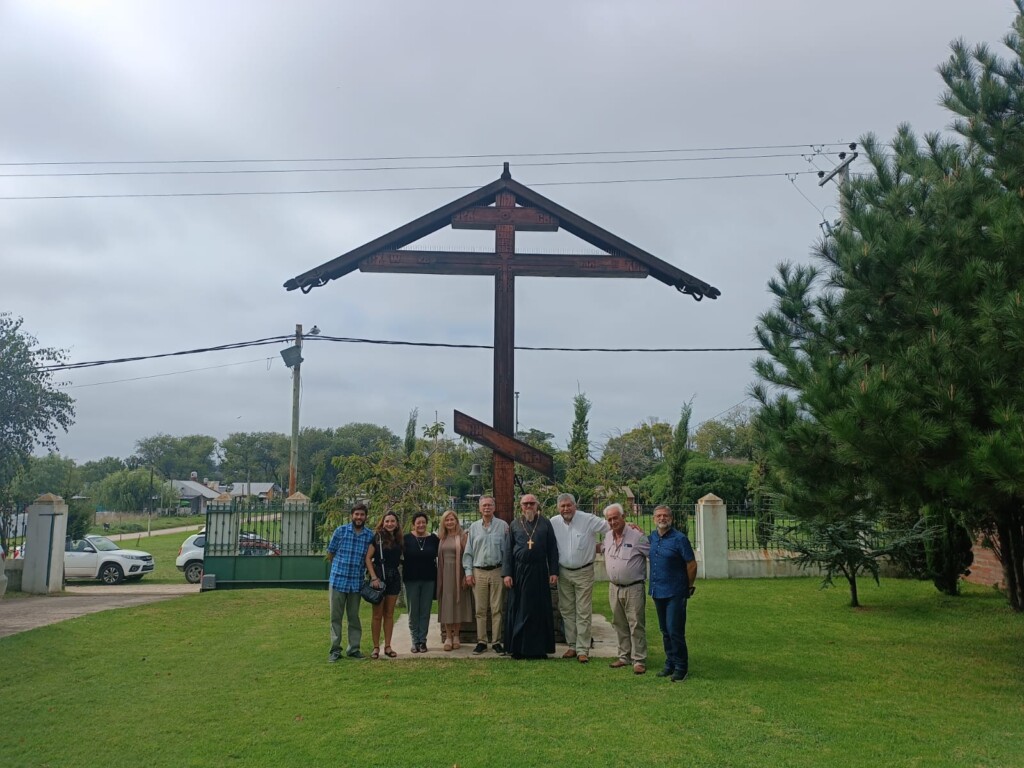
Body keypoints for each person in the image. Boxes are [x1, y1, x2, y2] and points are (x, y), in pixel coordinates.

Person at [549, 492, 609, 663]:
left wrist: (604, 546)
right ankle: (572, 646)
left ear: (575, 506)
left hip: (584, 571)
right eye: (563, 506)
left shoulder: (588, 519)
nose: (566, 508)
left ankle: (583, 649)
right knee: (567, 610)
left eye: (569, 505)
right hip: (563, 572)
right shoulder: (553, 522)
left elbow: (611, 528)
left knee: (583, 611)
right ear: (558, 507)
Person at [502, 493, 559, 659]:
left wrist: (554, 571)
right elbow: (507, 551)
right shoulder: (514, 525)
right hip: (519, 573)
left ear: (537, 505)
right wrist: (507, 574)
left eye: (531, 503)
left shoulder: (545, 524)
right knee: (520, 609)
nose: (528, 506)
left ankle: (539, 649)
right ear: (520, 506)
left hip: (539, 572)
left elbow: (552, 549)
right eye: (525, 504)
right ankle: (518, 648)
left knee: (538, 610)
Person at [648, 504, 698, 682]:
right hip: (657, 591)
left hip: (675, 592)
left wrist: (688, 586)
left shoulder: (680, 539)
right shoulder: (652, 537)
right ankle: (669, 663)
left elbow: (691, 564)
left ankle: (681, 667)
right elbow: (636, 542)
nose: (662, 518)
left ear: (672, 518)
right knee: (664, 630)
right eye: (659, 516)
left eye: (665, 516)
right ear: (654, 519)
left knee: (675, 630)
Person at [602, 502, 650, 675]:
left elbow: (653, 551)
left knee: (636, 623)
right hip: (614, 587)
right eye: (610, 519)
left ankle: (639, 659)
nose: (613, 522)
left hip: (633, 587)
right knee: (619, 623)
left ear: (623, 517)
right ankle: (624, 656)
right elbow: (602, 550)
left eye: (616, 518)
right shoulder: (607, 536)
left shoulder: (638, 535)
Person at [325, 502, 375, 662]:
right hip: (338, 581)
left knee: (354, 617)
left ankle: (354, 649)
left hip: (356, 583)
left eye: (362, 515)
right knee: (336, 617)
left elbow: (369, 557)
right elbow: (330, 554)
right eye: (356, 514)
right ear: (352, 516)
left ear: (366, 517)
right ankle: (335, 650)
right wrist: (339, 569)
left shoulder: (369, 535)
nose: (359, 517)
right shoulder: (340, 531)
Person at [463, 495, 509, 654]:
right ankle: (481, 641)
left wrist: (506, 573)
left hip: (497, 571)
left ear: (494, 508)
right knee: (480, 609)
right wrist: (468, 573)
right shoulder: (473, 528)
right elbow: (468, 553)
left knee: (497, 609)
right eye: (484, 505)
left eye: (490, 505)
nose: (487, 508)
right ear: (479, 508)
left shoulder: (503, 526)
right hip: (479, 572)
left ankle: (496, 642)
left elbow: (507, 552)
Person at [365, 511, 403, 659]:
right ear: (383, 522)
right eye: (387, 521)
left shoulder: (399, 539)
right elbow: (368, 558)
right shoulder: (378, 538)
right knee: (377, 615)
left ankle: (388, 646)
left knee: (389, 614)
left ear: (397, 523)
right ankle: (376, 647)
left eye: (393, 521)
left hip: (394, 578)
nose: (390, 524)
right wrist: (374, 577)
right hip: (379, 578)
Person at [436, 509, 473, 651]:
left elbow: (468, 556)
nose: (450, 522)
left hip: (459, 573)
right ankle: (448, 637)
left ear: (457, 521)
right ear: (443, 523)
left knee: (458, 604)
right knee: (446, 605)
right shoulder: (442, 537)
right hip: (445, 575)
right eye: (447, 520)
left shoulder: (463, 537)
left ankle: (457, 635)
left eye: (452, 519)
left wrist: (466, 575)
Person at [403, 512, 439, 653]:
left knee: (425, 611)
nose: (421, 525)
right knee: (413, 612)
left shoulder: (433, 539)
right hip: (411, 580)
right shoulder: (406, 539)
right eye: (418, 522)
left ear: (427, 523)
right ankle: (414, 641)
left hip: (429, 579)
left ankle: (422, 641)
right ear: (413, 524)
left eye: (423, 522)